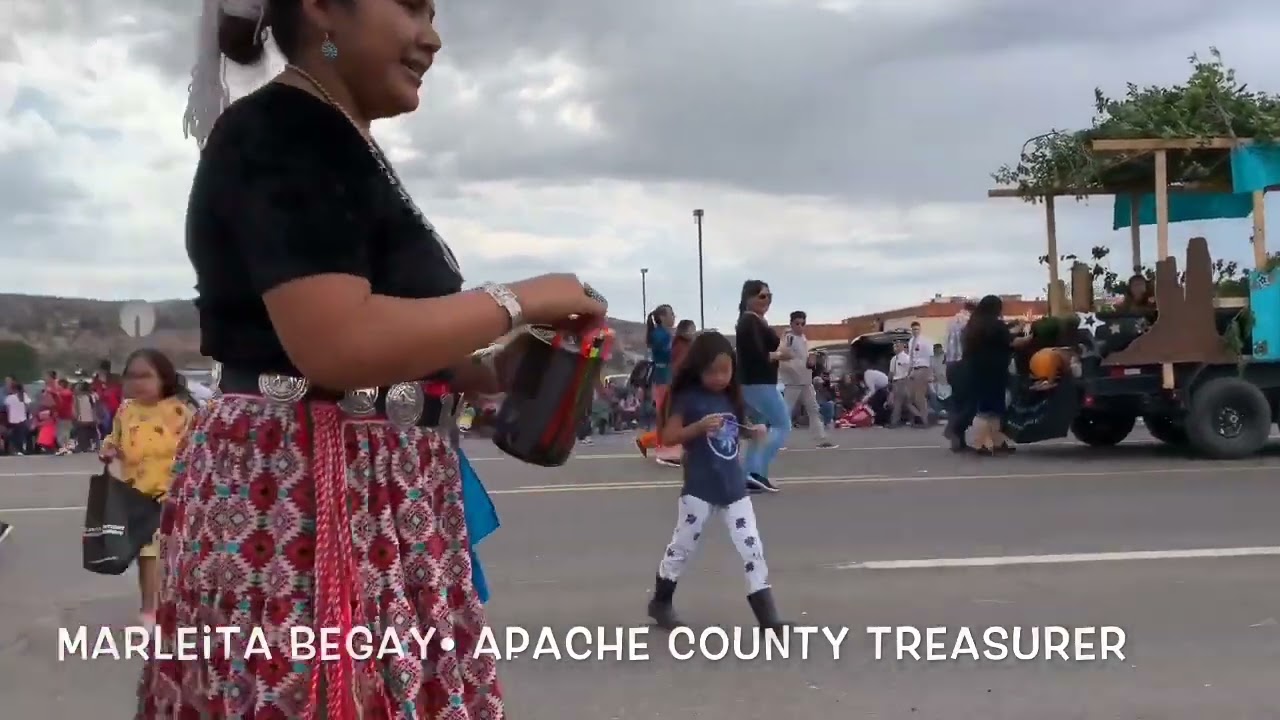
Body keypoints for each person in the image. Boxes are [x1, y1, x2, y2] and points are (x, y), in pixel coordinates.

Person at [137, 0, 606, 717]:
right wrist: (521, 299)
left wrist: (495, 366)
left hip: (374, 493)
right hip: (303, 490)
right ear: (322, 7)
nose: (432, 37)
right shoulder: (283, 130)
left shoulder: (336, 136)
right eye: (411, 6)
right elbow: (336, 341)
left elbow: (383, 331)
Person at [644, 331, 786, 630]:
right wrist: (697, 427)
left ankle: (767, 617)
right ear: (698, 368)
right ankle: (661, 601)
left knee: (752, 547)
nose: (720, 378)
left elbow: (734, 429)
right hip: (699, 488)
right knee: (682, 546)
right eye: (712, 371)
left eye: (726, 370)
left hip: (734, 487)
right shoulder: (686, 398)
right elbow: (668, 437)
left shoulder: (729, 397)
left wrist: (752, 432)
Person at [99, 349, 192, 629]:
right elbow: (114, 439)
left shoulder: (180, 412)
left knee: (172, 555)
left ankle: (174, 606)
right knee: (146, 555)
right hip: (137, 495)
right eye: (131, 376)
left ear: (164, 378)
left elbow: (194, 450)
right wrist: (109, 449)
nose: (137, 382)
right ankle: (149, 609)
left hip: (172, 495)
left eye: (145, 376)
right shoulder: (125, 412)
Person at [735, 280, 791, 493]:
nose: (767, 300)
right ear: (748, 298)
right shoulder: (749, 322)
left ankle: (751, 476)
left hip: (756, 382)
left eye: (769, 296)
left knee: (759, 429)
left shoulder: (756, 321)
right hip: (758, 383)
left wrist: (780, 349)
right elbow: (758, 355)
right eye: (762, 296)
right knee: (782, 424)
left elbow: (779, 348)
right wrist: (778, 354)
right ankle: (756, 472)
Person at [962, 295, 1033, 455]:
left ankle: (997, 442)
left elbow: (1002, 337)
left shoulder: (974, 325)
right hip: (994, 371)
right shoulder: (995, 325)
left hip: (977, 370)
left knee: (992, 408)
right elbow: (1011, 342)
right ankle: (981, 443)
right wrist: (1030, 338)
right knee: (989, 409)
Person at [779, 311, 837, 449]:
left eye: (802, 324)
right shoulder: (789, 338)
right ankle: (777, 441)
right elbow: (783, 358)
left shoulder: (803, 338)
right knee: (785, 411)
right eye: (797, 323)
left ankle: (821, 439)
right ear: (791, 324)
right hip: (793, 382)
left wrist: (810, 363)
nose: (800, 326)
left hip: (805, 380)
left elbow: (801, 359)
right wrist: (797, 369)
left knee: (814, 409)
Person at [635, 305, 683, 466]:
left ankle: (649, 442)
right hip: (663, 378)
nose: (674, 317)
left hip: (664, 377)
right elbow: (668, 355)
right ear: (662, 317)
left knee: (666, 414)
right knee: (667, 414)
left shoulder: (663, 334)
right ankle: (665, 450)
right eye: (671, 314)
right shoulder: (661, 335)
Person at [943, 302, 976, 451]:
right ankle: (954, 428)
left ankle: (958, 442)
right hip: (963, 363)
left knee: (957, 402)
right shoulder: (969, 321)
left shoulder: (951, 321)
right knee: (970, 402)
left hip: (950, 364)